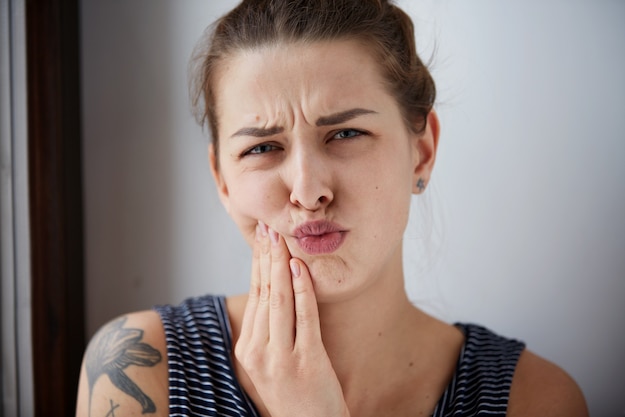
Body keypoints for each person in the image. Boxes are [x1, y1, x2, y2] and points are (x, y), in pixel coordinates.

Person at [75, 1, 589, 416]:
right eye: (261, 148)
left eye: (346, 133)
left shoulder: (535, 400)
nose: (307, 190)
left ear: (422, 150)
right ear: (221, 179)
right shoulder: (139, 367)